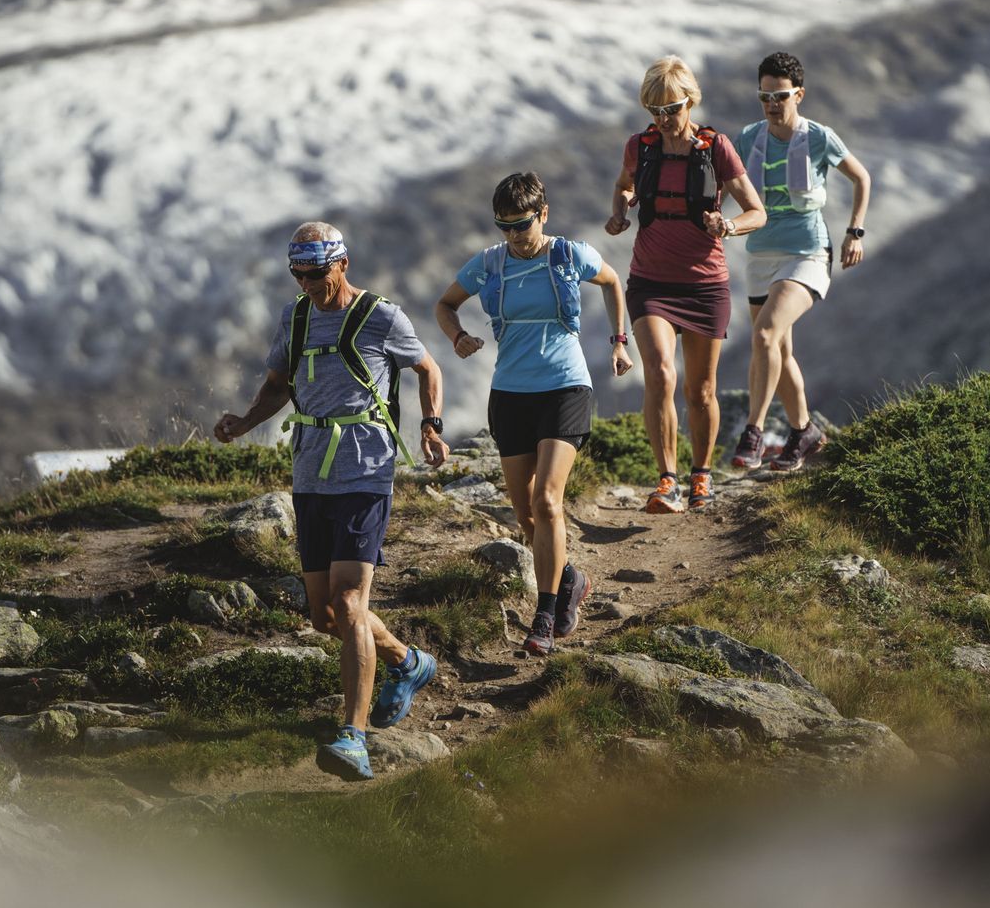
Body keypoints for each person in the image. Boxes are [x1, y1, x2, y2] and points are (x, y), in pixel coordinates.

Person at [214, 223, 450, 782]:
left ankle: (353, 736)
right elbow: (278, 384)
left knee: (349, 603)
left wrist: (431, 425)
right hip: (309, 471)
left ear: (342, 263)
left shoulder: (381, 316)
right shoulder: (295, 317)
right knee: (324, 617)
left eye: (316, 273)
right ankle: (408, 662)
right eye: (297, 274)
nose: (307, 284)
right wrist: (245, 421)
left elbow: (428, 368)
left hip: (365, 471)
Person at [434, 172, 634, 657]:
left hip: (565, 388)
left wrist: (619, 341)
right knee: (526, 514)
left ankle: (543, 617)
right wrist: (457, 336)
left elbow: (612, 282)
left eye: (521, 224)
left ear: (543, 214)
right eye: (503, 226)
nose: (513, 235)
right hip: (510, 393)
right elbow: (445, 304)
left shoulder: (569, 255)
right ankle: (570, 579)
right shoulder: (489, 263)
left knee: (547, 501)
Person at [606, 56, 766, 513]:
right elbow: (623, 186)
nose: (663, 119)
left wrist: (728, 227)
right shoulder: (640, 146)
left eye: (671, 109)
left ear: (690, 102)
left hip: (704, 285)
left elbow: (757, 211)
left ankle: (701, 475)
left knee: (701, 391)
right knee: (660, 373)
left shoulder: (716, 148)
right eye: (654, 110)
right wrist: (620, 210)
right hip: (650, 281)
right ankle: (667, 480)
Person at [727, 51, 872, 472]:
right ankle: (804, 431)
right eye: (765, 97)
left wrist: (855, 231)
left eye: (781, 96)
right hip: (760, 256)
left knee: (764, 336)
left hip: (808, 253)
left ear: (799, 95)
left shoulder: (819, 137)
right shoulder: (749, 138)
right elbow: (725, 185)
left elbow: (861, 177)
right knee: (779, 349)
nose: (772, 104)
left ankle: (753, 433)